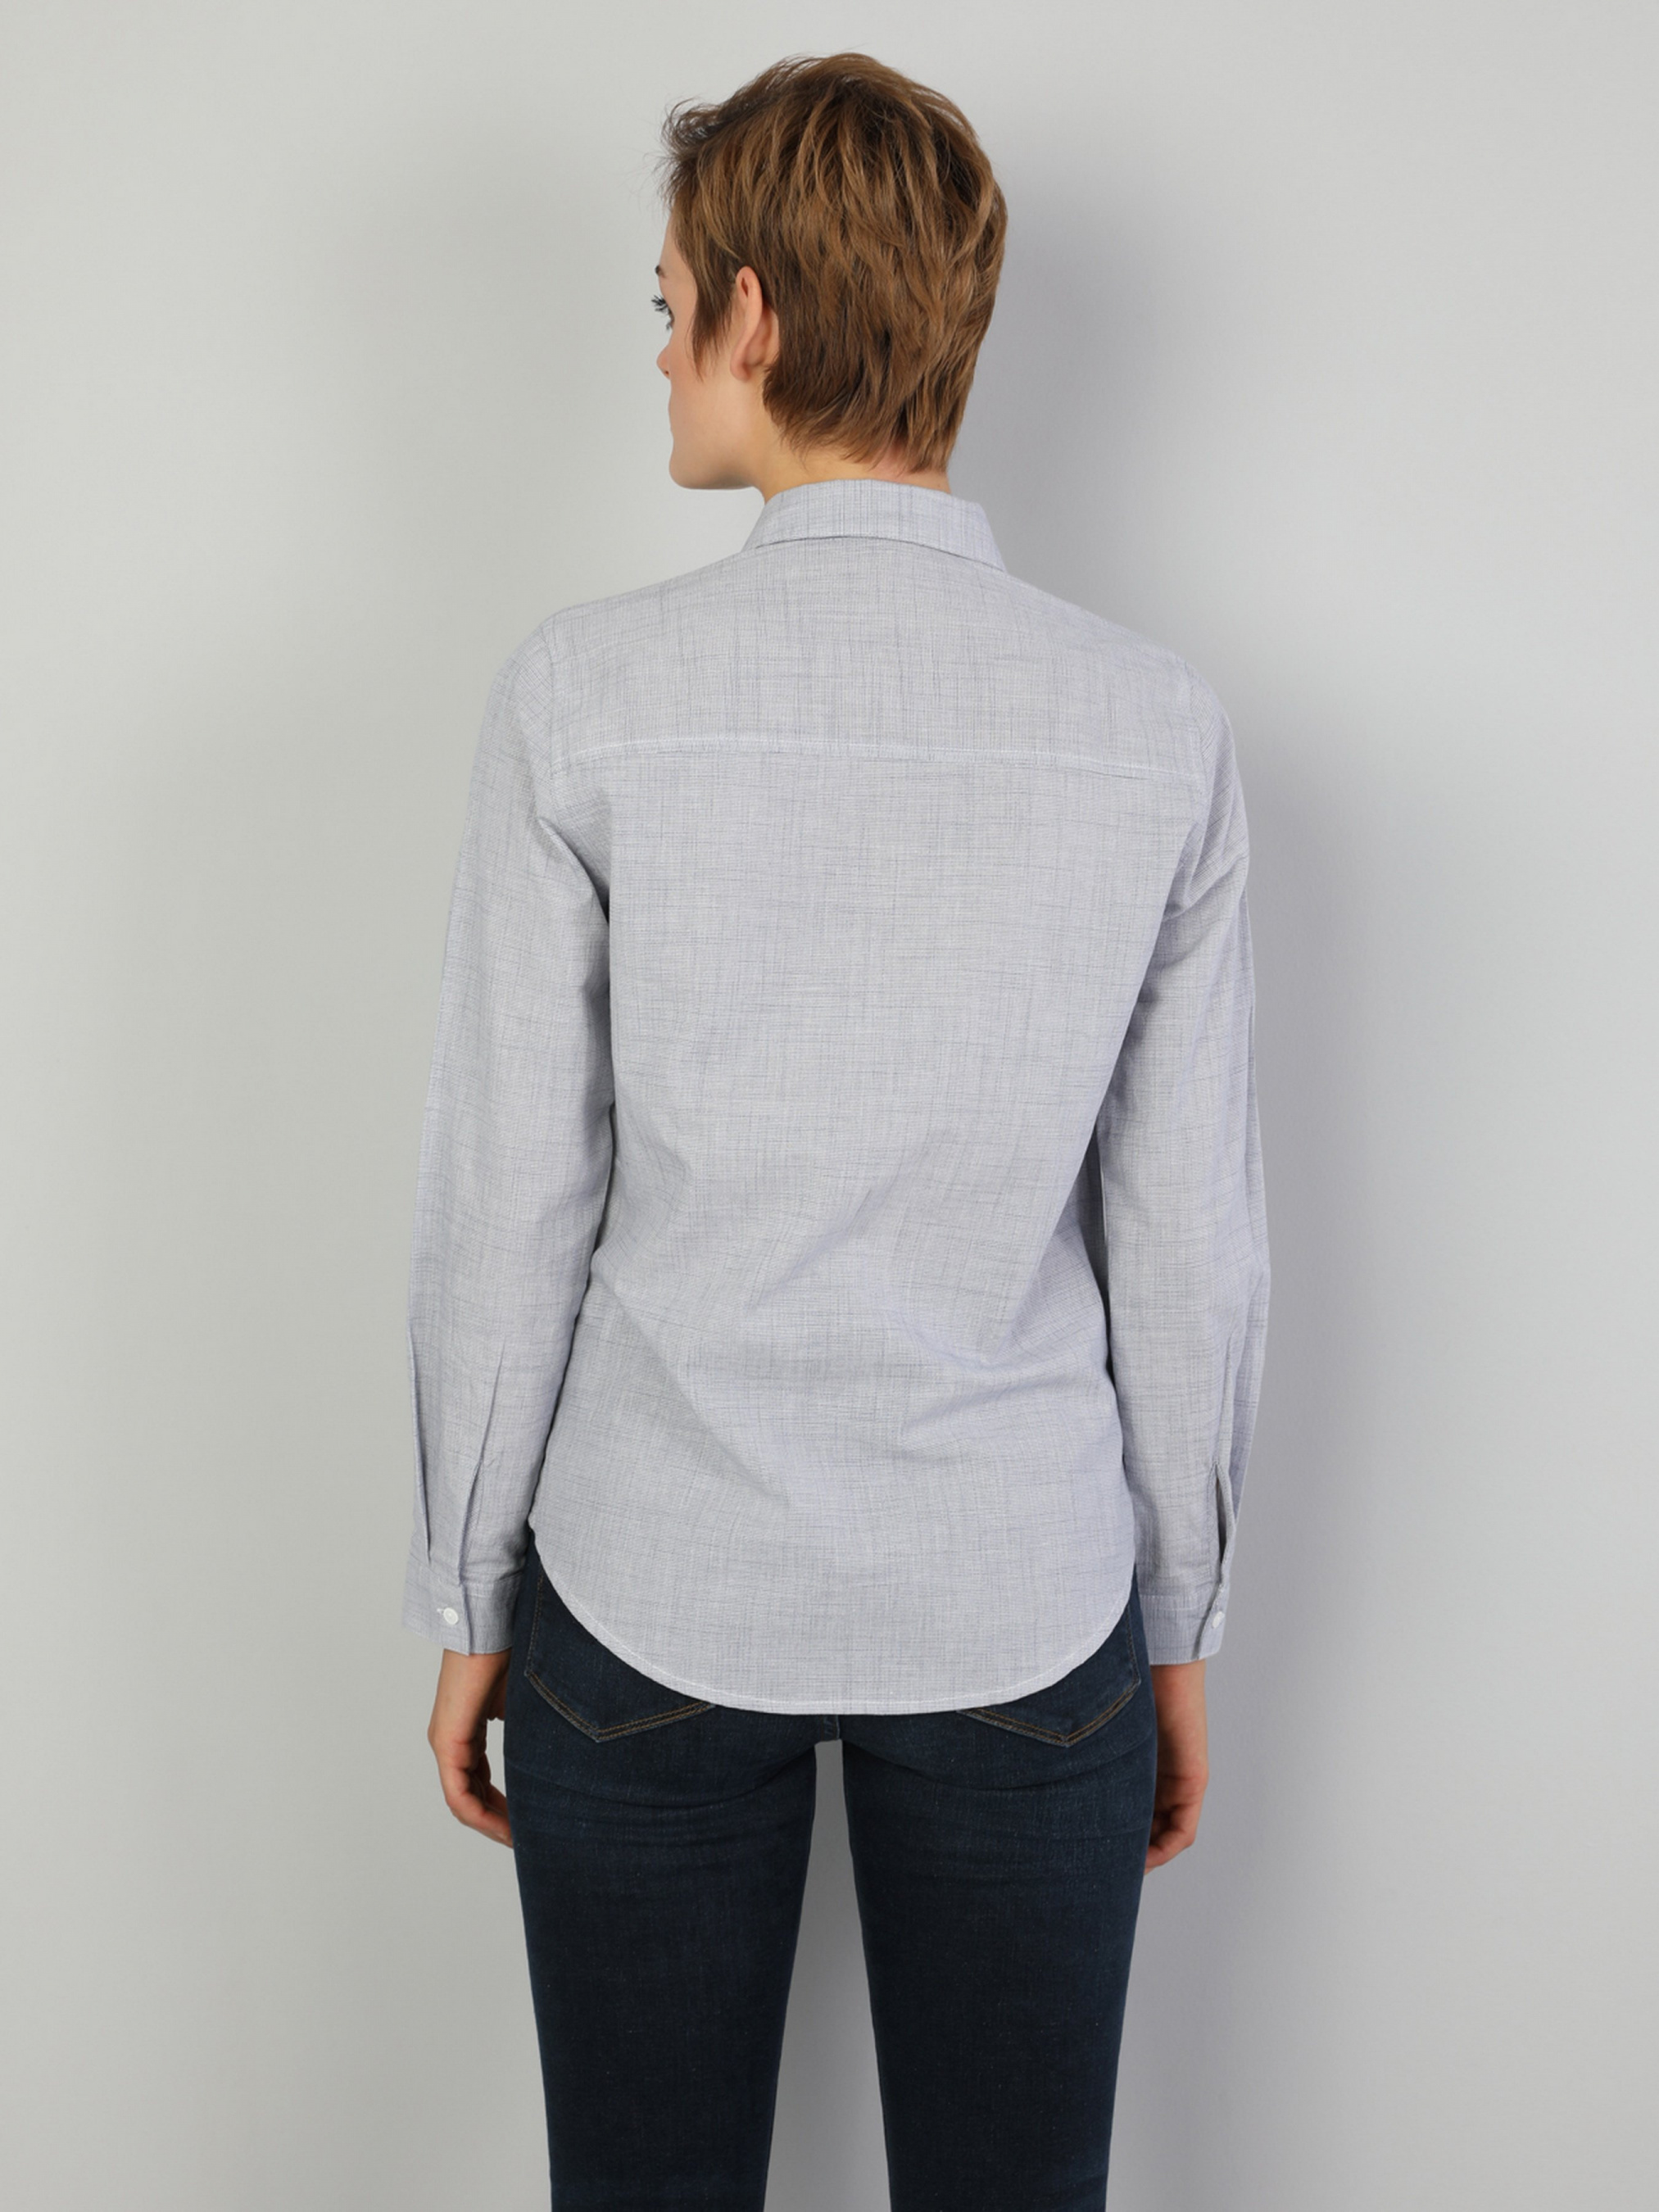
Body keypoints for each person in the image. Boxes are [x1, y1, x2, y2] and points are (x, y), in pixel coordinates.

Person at [403, 50, 1268, 2212]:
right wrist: (1175, 1618)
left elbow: (508, 1203)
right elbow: (1187, 1235)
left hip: (643, 1584)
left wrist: (470, 1586)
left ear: (754, 314)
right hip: (1026, 1597)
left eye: (667, 302)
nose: (658, 350)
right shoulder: (1153, 728)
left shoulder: (582, 699)